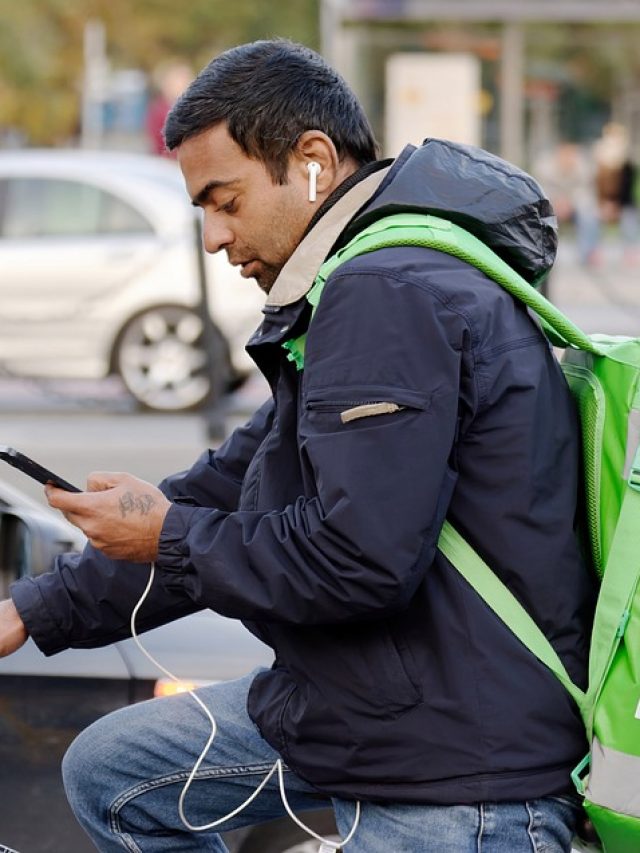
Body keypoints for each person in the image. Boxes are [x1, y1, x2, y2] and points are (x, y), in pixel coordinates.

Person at [0, 39, 595, 852]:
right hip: (376, 708)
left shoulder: (385, 292)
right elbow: (227, 488)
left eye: (226, 200)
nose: (213, 237)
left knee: (112, 773)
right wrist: (32, 610)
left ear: (312, 160)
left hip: (454, 774)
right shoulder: (353, 284)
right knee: (113, 770)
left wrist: (166, 535)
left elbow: (358, 558)